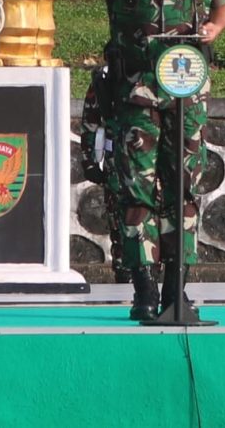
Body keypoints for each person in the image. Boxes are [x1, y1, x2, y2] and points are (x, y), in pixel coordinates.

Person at [55, 0, 225, 321]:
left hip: (187, 90)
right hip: (136, 88)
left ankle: (178, 290)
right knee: (137, 188)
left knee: (184, 187)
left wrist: (216, 27)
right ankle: (143, 287)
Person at [78, 62, 130, 284]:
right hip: (117, 159)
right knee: (120, 220)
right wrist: (89, 159)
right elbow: (91, 119)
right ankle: (125, 271)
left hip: (154, 157)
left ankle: (152, 274)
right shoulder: (108, 75)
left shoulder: (159, 69)